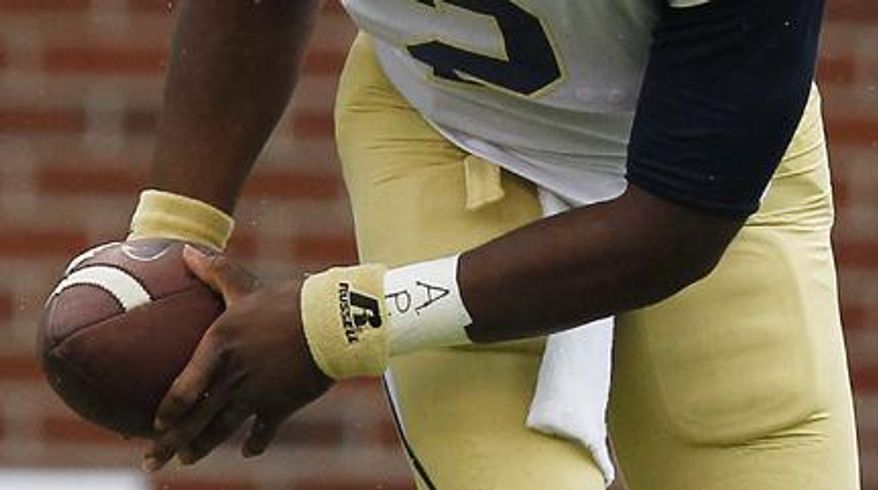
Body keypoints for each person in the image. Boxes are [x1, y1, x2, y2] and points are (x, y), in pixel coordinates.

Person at [74, 0, 859, 488]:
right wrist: (174, 239)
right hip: (451, 130)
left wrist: (339, 324)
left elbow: (677, 228)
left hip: (702, 192)